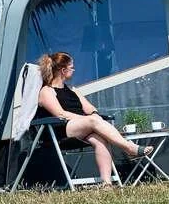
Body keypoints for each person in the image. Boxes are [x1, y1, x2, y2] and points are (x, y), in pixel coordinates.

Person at [36, 52, 140, 187]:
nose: (73, 70)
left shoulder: (72, 90)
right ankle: (128, 147)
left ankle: (106, 184)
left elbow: (89, 108)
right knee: (93, 121)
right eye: (71, 67)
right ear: (63, 70)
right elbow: (61, 114)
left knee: (100, 139)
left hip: (81, 128)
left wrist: (94, 114)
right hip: (59, 131)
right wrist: (90, 120)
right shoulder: (47, 91)